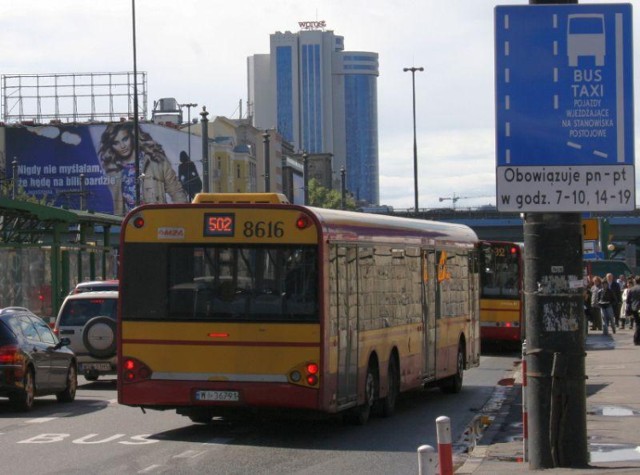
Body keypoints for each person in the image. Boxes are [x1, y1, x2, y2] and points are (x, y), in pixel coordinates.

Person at [98, 122, 187, 215]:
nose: (122, 146)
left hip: (155, 221)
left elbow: (176, 191)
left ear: (132, 136)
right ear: (111, 146)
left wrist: (181, 217)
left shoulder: (156, 161)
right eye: (116, 143)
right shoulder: (112, 170)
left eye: (125, 139)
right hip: (127, 224)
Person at [625, 276, 640, 345]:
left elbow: (628, 301)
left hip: (634, 308)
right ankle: (636, 339)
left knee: (637, 323)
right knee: (638, 324)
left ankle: (636, 339)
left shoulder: (631, 289)